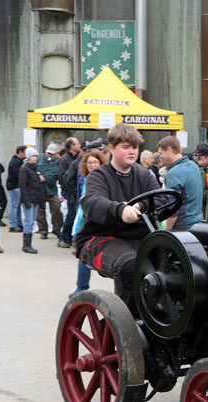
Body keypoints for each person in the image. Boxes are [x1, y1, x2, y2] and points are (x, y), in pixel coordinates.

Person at [75, 123, 161, 313]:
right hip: (101, 238)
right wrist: (121, 210)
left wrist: (139, 205)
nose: (132, 152)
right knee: (130, 264)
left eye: (135, 147)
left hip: (140, 238)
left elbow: (161, 198)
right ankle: (128, 322)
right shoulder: (99, 175)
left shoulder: (144, 175)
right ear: (112, 148)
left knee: (179, 261)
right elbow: (93, 202)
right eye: (126, 147)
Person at [70, 148, 107, 296]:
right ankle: (82, 287)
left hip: (97, 221)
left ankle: (82, 287)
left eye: (95, 162)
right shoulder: (85, 179)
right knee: (83, 254)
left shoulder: (103, 180)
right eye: (89, 162)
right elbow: (81, 204)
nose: (92, 165)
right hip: (84, 219)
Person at [156, 135, 203, 231]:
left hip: (182, 227)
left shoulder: (174, 173)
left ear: (169, 150)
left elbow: (172, 209)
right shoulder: (193, 166)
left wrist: (166, 231)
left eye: (161, 153)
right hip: (198, 223)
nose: (160, 157)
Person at [36, 143, 63, 240]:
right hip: (40, 190)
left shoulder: (59, 162)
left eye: (51, 154)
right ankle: (43, 231)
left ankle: (57, 230)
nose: (49, 155)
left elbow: (61, 174)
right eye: (48, 153)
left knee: (56, 211)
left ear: (56, 154)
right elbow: (29, 167)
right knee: (40, 212)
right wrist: (37, 176)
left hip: (52, 190)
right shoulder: (39, 158)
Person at [18, 147, 42, 254]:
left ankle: (28, 244)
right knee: (29, 221)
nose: (35, 158)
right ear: (28, 157)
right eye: (33, 156)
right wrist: (26, 201)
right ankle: (26, 245)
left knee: (32, 221)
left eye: (36, 156)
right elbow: (22, 186)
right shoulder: (24, 169)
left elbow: (37, 185)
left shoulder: (35, 168)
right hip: (28, 200)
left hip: (35, 199)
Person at [57, 137, 80, 248]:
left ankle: (69, 237)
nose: (79, 145)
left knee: (74, 215)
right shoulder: (64, 159)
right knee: (71, 215)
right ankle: (63, 237)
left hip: (74, 191)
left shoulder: (76, 158)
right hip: (70, 192)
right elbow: (62, 177)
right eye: (77, 143)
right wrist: (69, 190)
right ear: (72, 146)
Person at [6, 146, 26, 233]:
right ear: (20, 152)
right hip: (14, 186)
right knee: (14, 205)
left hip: (15, 186)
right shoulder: (16, 162)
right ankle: (13, 225)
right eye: (25, 152)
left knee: (17, 206)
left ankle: (18, 223)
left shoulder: (18, 161)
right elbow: (17, 175)